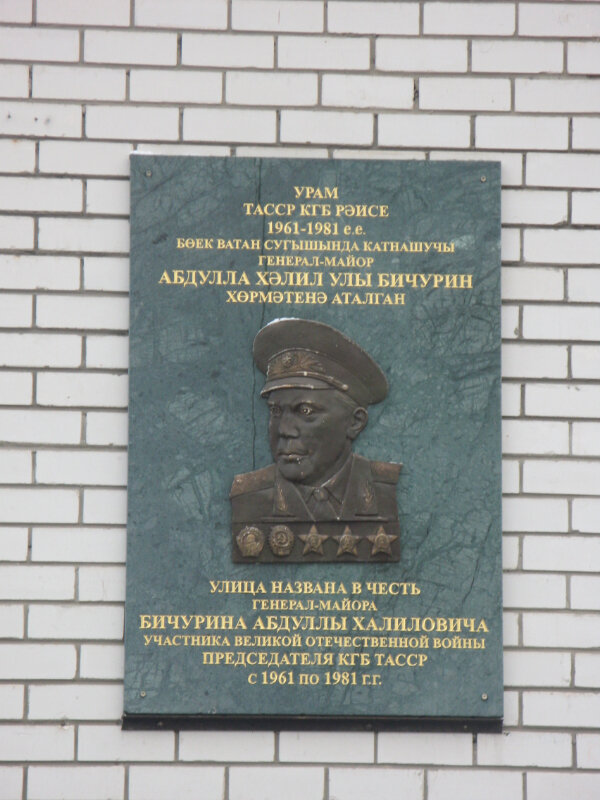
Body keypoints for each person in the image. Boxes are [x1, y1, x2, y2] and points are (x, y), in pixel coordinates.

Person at [230, 318, 401, 562]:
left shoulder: (383, 489)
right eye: (276, 412)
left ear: (355, 423)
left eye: (305, 411)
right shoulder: (248, 496)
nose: (284, 430)